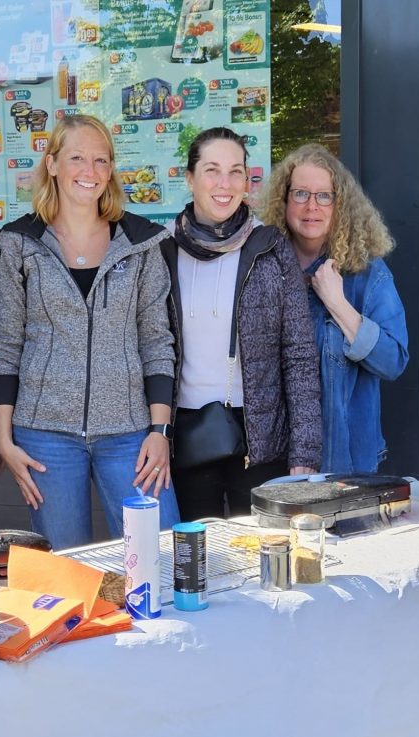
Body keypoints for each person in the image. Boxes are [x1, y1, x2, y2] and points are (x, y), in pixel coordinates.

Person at [0, 114, 179, 550]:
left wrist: (160, 431)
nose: (89, 172)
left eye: (101, 160)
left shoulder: (141, 243)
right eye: (77, 158)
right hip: (44, 435)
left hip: (131, 432)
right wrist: (3, 437)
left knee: (158, 553)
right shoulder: (18, 243)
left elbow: (156, 341)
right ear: (52, 164)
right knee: (65, 568)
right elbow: (5, 346)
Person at [161, 127, 321, 521]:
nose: (225, 183)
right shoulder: (162, 251)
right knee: (199, 564)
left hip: (261, 443)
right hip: (186, 442)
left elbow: (298, 354)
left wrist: (305, 452)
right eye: (212, 170)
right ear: (190, 178)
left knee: (264, 559)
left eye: (236, 171)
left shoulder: (269, 247)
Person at [259, 143, 409, 473]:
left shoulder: (366, 273)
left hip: (347, 463)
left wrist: (338, 303)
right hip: (274, 459)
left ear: (339, 205)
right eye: (300, 194)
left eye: (324, 196)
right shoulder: (262, 267)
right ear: (283, 201)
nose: (311, 206)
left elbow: (393, 361)